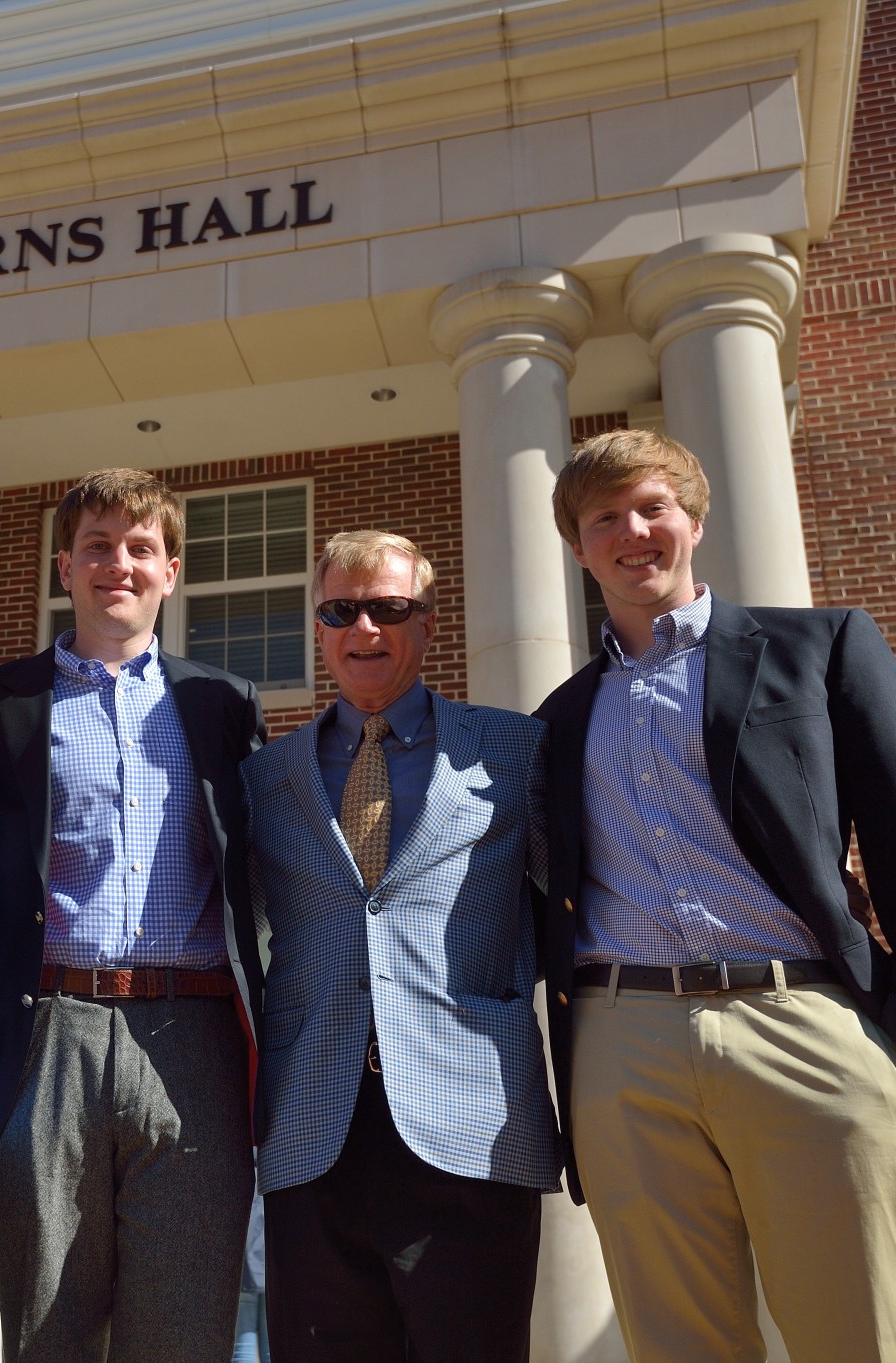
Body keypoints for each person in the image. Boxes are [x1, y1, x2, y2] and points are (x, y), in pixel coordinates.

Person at [534, 428, 896, 1362]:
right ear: (579, 546)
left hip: (807, 1024)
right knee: (680, 1345)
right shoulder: (558, 715)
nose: (633, 531)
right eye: (604, 518)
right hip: (623, 1046)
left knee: (868, 1339)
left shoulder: (819, 648)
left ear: (694, 520)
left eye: (653, 507)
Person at [0, 467, 266, 1363]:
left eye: (141, 548)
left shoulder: (221, 703)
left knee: (184, 1328)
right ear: (66, 566)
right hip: (50, 1025)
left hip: (195, 1032)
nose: (118, 564)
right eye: (97, 546)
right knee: (48, 1326)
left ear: (172, 570)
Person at [242, 530, 557, 1363]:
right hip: (313, 1128)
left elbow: (576, 913)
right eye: (341, 610)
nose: (364, 628)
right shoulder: (266, 778)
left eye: (389, 607)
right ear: (319, 627)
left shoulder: (516, 750)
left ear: (427, 620)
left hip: (474, 1127)